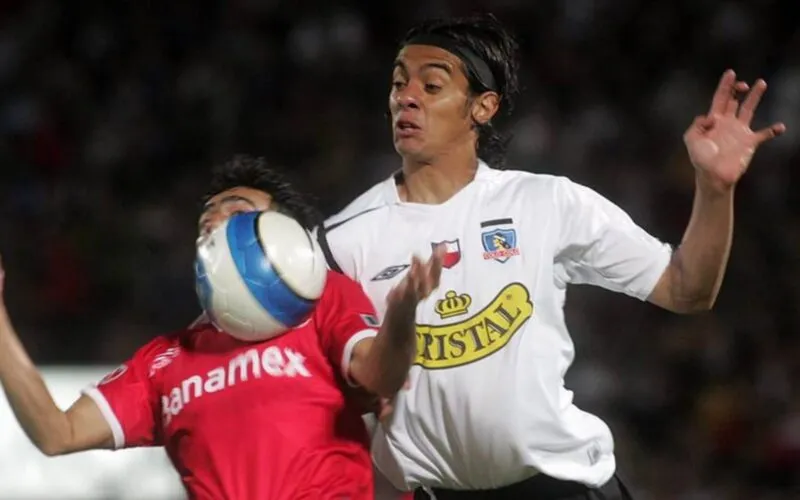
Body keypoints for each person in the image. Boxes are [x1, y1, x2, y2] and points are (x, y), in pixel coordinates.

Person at [316, 13, 786, 500]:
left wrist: (713, 189)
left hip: (564, 486)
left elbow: (687, 288)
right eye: (397, 83)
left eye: (432, 84)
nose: (405, 97)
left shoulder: (547, 203)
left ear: (483, 106)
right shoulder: (340, 241)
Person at [0, 155, 442, 500]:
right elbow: (58, 433)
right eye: (206, 215)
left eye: (237, 209)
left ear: (283, 233)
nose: (213, 218)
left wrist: (402, 312)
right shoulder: (163, 360)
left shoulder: (323, 302)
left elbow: (380, 374)